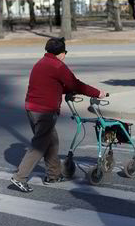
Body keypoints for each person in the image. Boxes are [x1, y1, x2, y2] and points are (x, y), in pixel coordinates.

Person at [10, 37, 107, 192]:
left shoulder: (40, 63)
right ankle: (20, 177)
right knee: (39, 145)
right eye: (65, 52)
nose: (65, 55)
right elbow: (75, 84)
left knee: (52, 141)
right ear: (60, 53)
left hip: (32, 108)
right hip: (45, 112)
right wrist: (97, 93)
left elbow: (52, 85)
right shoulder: (57, 66)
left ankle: (53, 175)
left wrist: (68, 91)